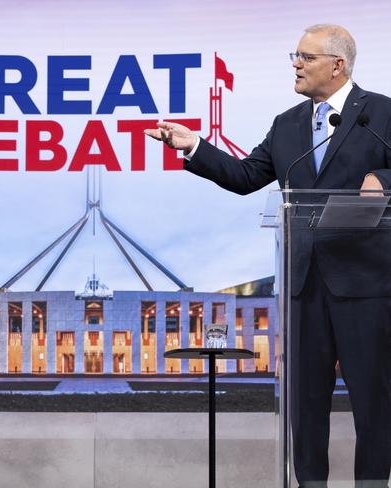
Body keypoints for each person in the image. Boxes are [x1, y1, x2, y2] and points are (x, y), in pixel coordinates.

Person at [146, 24, 391, 488]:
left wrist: (383, 177)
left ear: (337, 66)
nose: (296, 65)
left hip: (366, 285)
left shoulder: (381, 113)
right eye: (294, 56)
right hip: (302, 285)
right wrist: (193, 146)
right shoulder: (288, 124)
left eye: (306, 57)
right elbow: (245, 176)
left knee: (375, 402)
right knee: (305, 403)